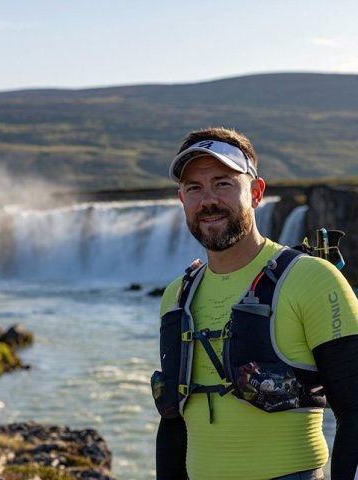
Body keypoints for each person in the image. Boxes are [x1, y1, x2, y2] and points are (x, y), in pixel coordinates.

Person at [153, 127, 358, 480]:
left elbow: (355, 412)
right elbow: (173, 421)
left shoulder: (312, 280)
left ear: (257, 192)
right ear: (181, 199)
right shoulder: (177, 296)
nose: (208, 201)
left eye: (223, 183)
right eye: (194, 188)